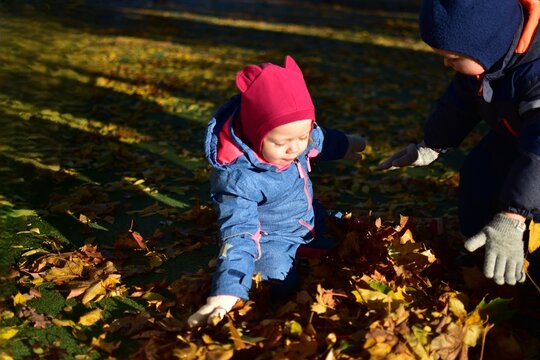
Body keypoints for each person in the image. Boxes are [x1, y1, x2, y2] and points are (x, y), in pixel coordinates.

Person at [187, 55, 366, 326]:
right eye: (282, 142)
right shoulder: (239, 179)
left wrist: (350, 144)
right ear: (256, 133)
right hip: (271, 238)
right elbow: (239, 233)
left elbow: (323, 139)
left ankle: (312, 241)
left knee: (355, 232)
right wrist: (225, 293)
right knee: (277, 278)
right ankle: (260, 278)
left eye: (301, 137)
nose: (295, 148)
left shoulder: (299, 136)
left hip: (306, 216)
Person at [378, 0, 540, 286]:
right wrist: (432, 145)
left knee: (530, 202)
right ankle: (478, 247)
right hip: (514, 133)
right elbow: (459, 104)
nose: (446, 63)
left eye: (452, 57)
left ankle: (528, 269)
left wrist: (512, 216)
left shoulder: (535, 73)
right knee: (479, 173)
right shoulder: (487, 65)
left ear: (489, 43)